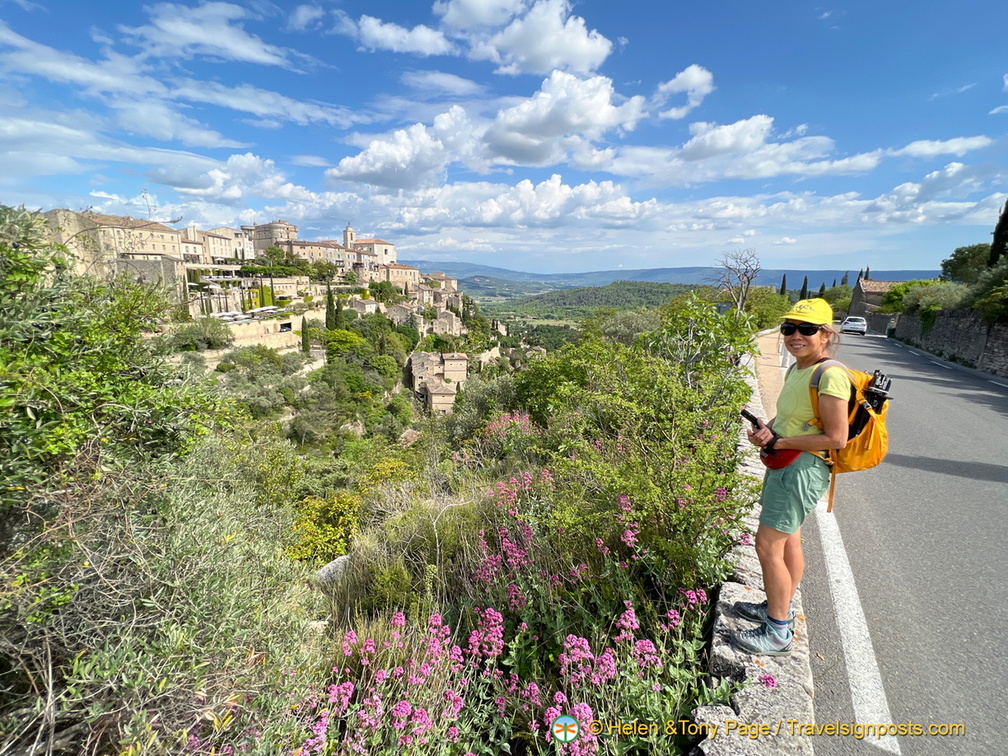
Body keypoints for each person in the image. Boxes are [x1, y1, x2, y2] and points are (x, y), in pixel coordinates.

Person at [733, 298, 851, 655]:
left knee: (767, 545)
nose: (794, 335)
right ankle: (776, 605)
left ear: (826, 334)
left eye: (806, 329)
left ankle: (778, 631)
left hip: (801, 468)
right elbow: (786, 418)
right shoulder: (798, 368)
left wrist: (780, 440)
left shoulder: (829, 375)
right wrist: (766, 430)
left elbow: (836, 437)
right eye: (788, 328)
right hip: (786, 462)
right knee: (790, 542)